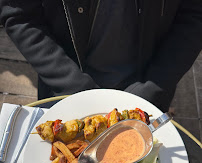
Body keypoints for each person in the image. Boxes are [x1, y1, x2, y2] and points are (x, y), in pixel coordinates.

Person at [0, 0, 202, 112]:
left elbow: (194, 15)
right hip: (65, 94)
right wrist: (70, 85)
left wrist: (155, 85)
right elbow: (20, 15)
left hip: (148, 94)